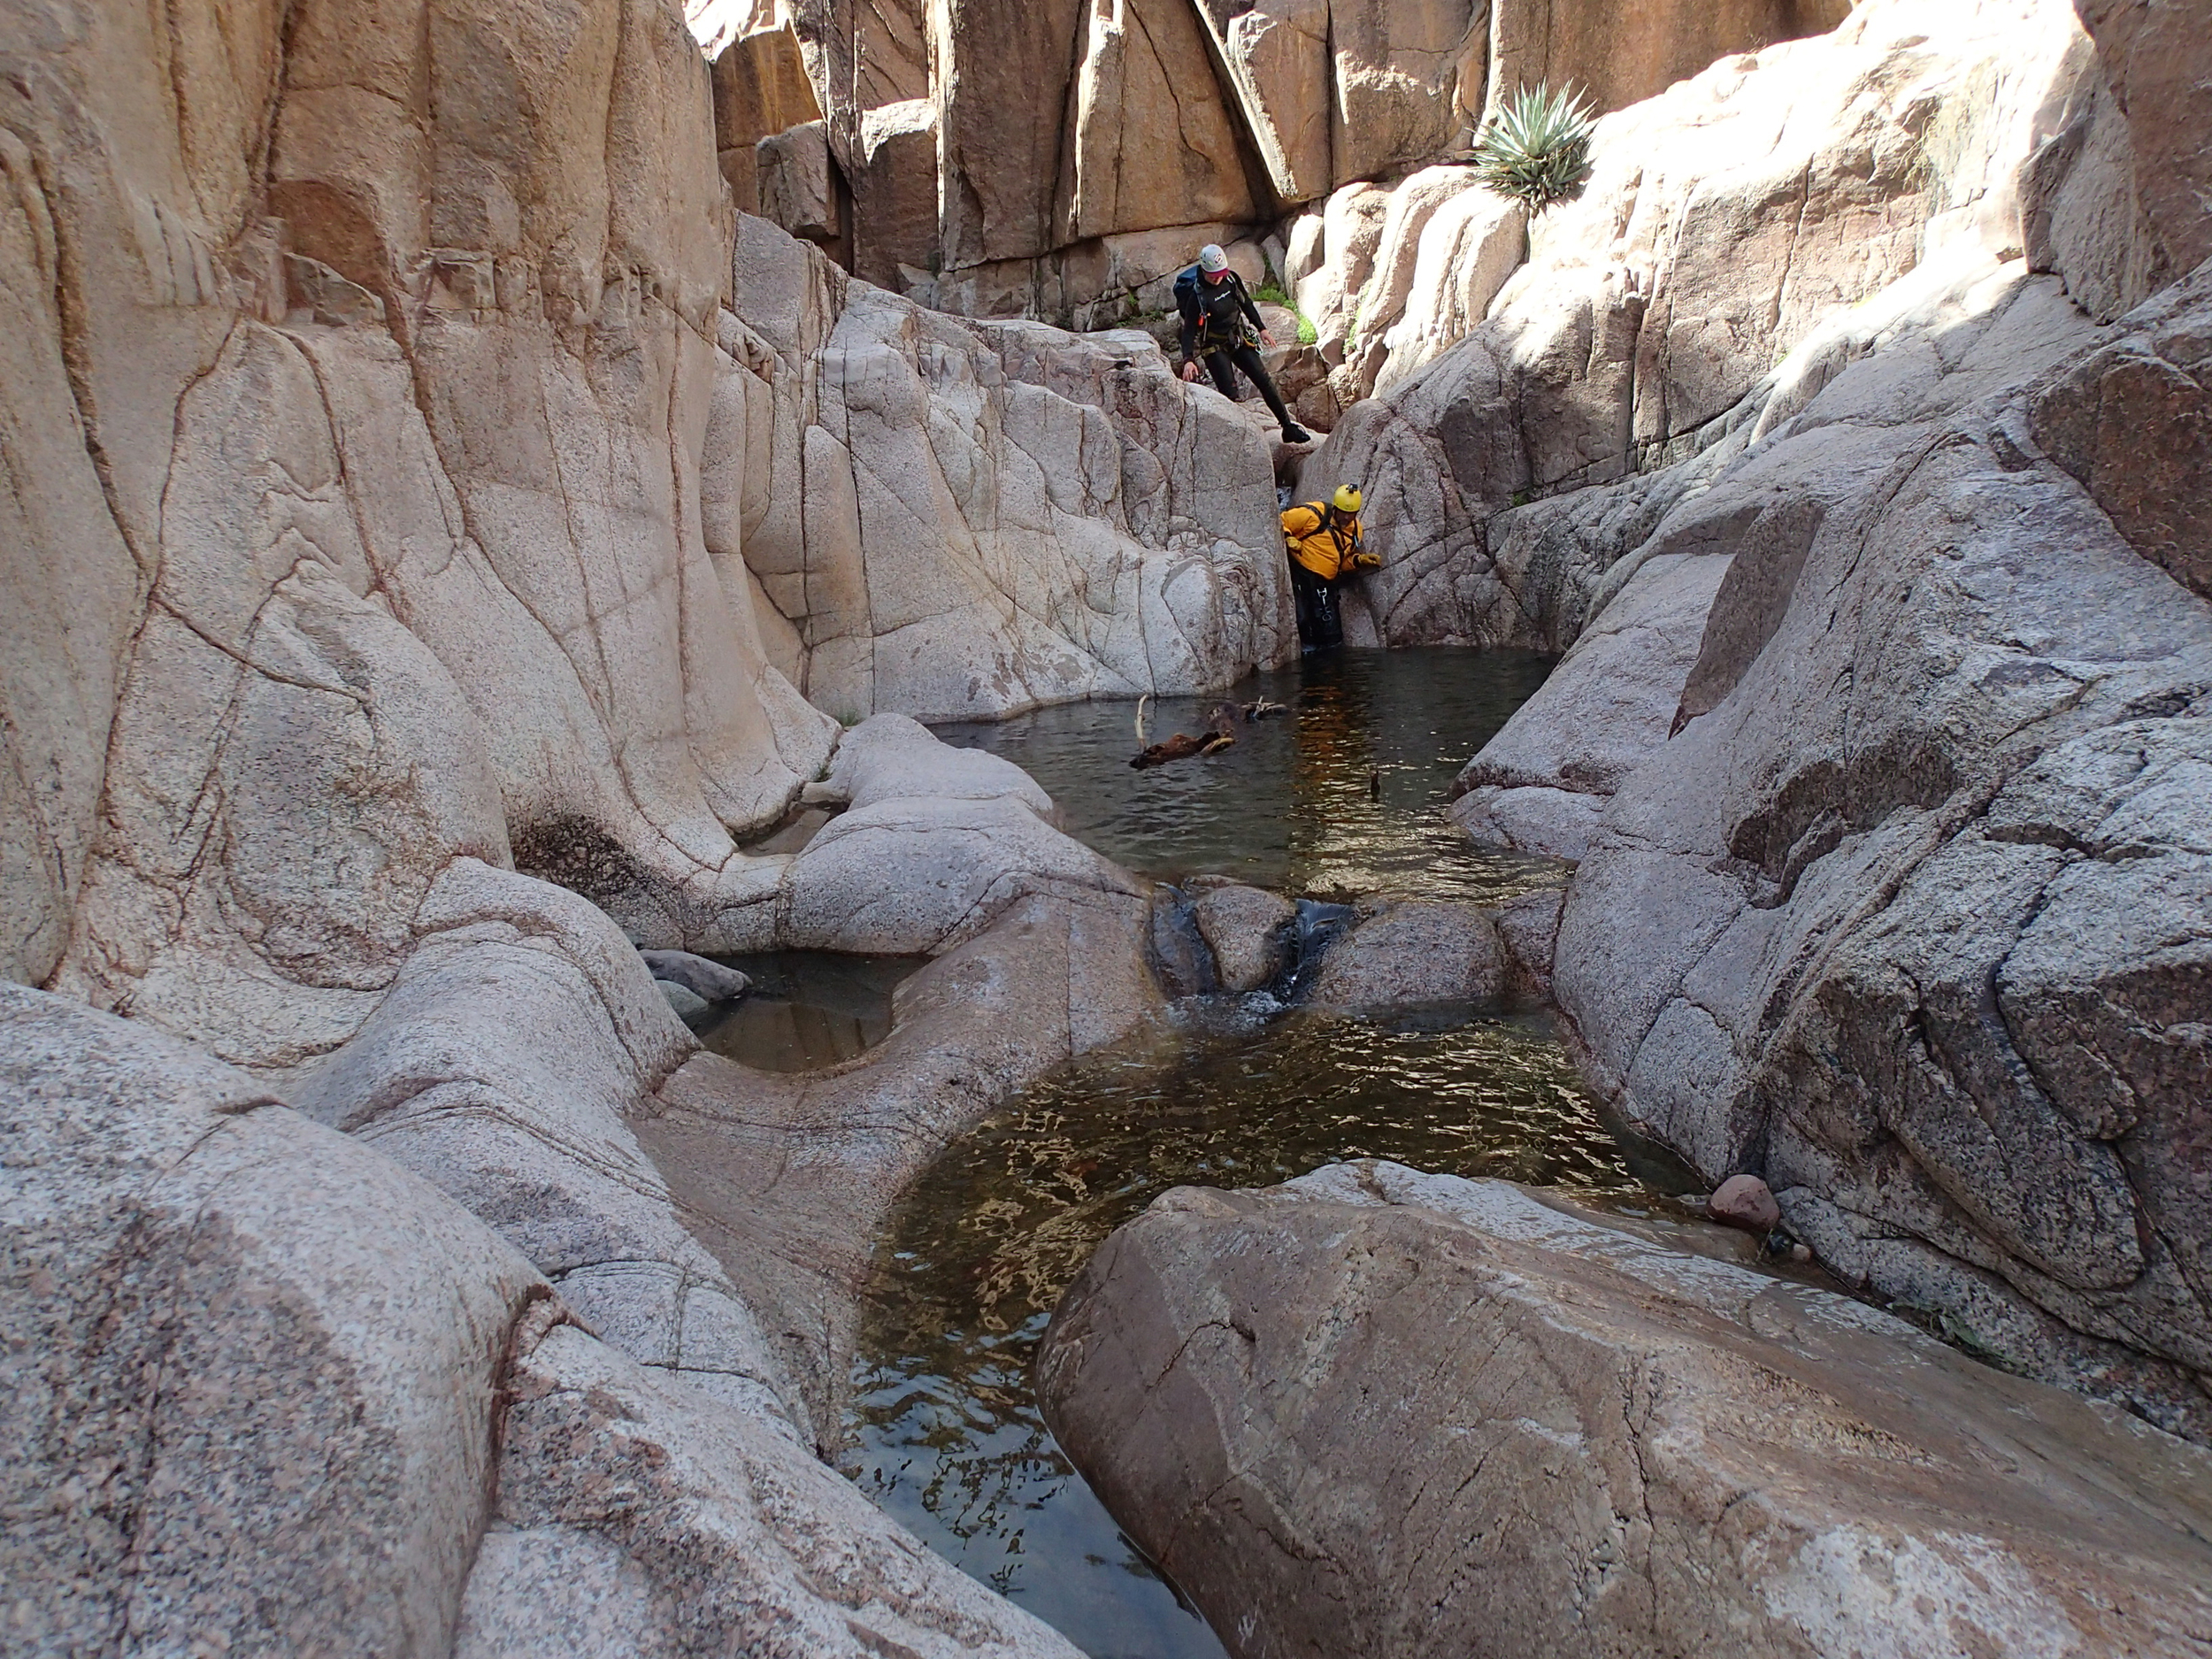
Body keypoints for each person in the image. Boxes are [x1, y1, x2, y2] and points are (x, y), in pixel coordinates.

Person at [1174, 244, 1312, 444]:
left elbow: (1246, 303)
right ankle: (1236, 440)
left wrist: (1261, 328)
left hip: (1238, 338)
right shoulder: (1197, 295)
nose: (1218, 278)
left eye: (1220, 273)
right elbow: (1188, 331)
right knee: (1231, 394)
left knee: (1264, 380)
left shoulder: (1230, 279)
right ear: (1204, 270)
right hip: (1214, 347)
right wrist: (1188, 359)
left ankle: (1287, 427)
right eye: (1213, 275)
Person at [1281, 484, 1376, 649]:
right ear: (1336, 508)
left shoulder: (1355, 531)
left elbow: (1338, 562)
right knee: (1304, 623)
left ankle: (1330, 667)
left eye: (1351, 513)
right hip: (1302, 577)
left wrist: (1358, 561)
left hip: (1325, 586)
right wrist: (1288, 536)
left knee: (1332, 636)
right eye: (1343, 512)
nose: (1346, 518)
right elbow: (1281, 520)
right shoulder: (1314, 514)